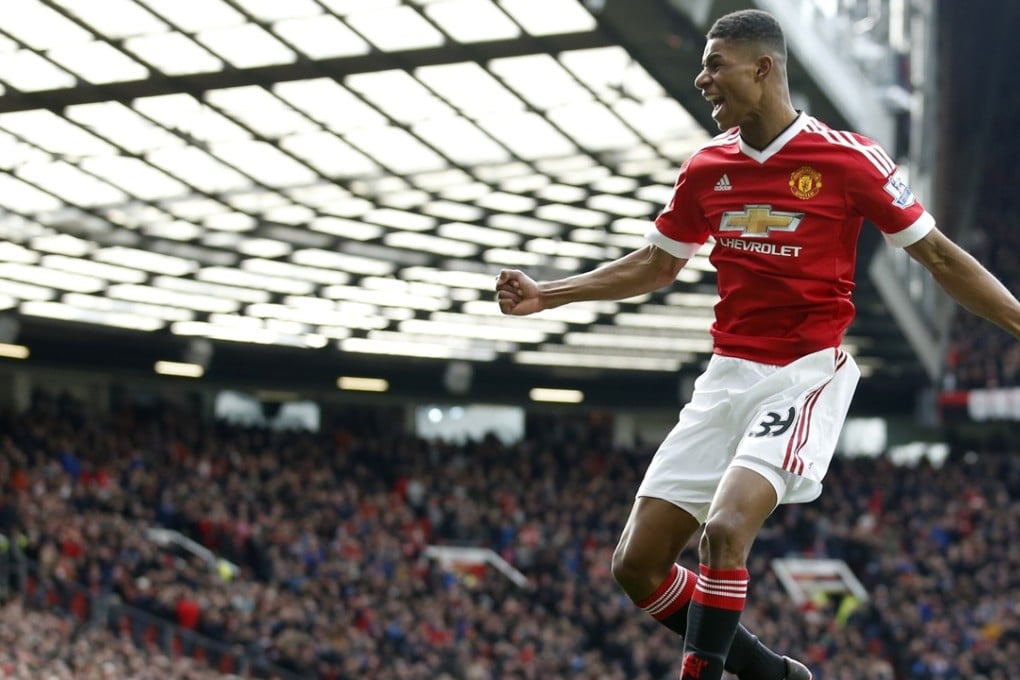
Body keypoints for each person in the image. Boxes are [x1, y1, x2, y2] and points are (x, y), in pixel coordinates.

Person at [496, 8, 1020, 680]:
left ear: (763, 68)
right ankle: (772, 674)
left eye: (715, 64)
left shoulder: (846, 159)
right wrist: (551, 293)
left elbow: (941, 259)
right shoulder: (706, 168)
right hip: (725, 379)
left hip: (802, 375)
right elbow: (655, 265)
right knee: (636, 566)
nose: (702, 77)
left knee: (725, 529)